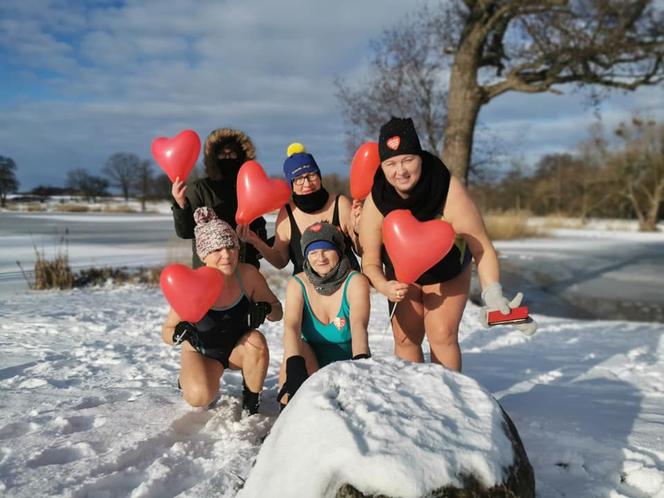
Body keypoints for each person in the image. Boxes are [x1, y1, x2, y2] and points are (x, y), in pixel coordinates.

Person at [359, 117, 537, 372]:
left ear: (420, 156)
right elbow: (370, 260)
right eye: (391, 163)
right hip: (401, 274)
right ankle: (415, 399)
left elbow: (482, 247)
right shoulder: (376, 200)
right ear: (383, 165)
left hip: (447, 269)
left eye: (408, 159)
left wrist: (492, 293)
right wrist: (383, 285)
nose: (401, 171)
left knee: (441, 335)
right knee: (406, 338)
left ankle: (449, 400)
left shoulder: (448, 190)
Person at [162, 207, 283, 414]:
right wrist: (177, 333)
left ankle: (251, 401)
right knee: (200, 398)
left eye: (231, 247)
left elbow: (278, 312)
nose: (227, 256)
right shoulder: (193, 283)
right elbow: (167, 331)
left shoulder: (247, 275)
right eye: (217, 250)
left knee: (256, 339)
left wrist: (264, 309)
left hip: (237, 349)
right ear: (204, 255)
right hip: (203, 352)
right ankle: (189, 378)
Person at [277, 222, 371, 408]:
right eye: (312, 252)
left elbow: (359, 326)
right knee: (295, 349)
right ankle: (286, 417)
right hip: (312, 365)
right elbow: (291, 326)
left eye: (326, 250)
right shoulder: (298, 284)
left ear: (338, 251)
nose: (320, 258)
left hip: (348, 364)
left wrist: (360, 364)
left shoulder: (355, 281)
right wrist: (294, 369)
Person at [237, 143, 359, 274]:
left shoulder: (340, 204)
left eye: (312, 175)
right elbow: (280, 261)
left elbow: (361, 251)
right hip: (306, 289)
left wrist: (358, 230)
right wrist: (256, 241)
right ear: (291, 184)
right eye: (299, 179)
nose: (307, 183)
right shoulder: (287, 213)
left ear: (319, 176)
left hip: (347, 286)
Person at [171, 128, 268, 269]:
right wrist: (181, 205)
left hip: (246, 267)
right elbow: (185, 232)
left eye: (232, 153)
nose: (227, 158)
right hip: (210, 269)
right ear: (213, 158)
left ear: (242, 157)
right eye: (222, 154)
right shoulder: (200, 188)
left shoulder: (249, 188)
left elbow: (258, 227)